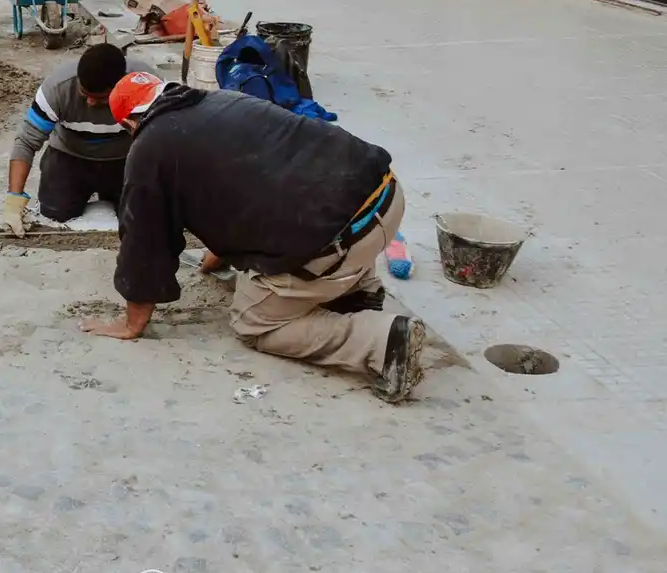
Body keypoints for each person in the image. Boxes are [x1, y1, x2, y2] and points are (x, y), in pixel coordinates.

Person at [82, 72, 425, 404]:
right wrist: (221, 251)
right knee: (317, 203)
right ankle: (356, 294)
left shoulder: (150, 148)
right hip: (386, 196)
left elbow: (144, 239)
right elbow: (246, 182)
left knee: (254, 323)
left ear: (129, 124)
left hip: (340, 240)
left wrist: (133, 321)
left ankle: (383, 342)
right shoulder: (222, 100)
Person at [3, 43, 158, 236]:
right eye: (85, 94)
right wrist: (13, 201)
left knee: (141, 218)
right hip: (70, 156)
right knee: (54, 214)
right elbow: (26, 141)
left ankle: (113, 192)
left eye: (101, 98)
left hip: (125, 160)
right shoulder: (58, 88)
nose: (91, 103)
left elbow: (165, 142)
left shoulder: (149, 88)